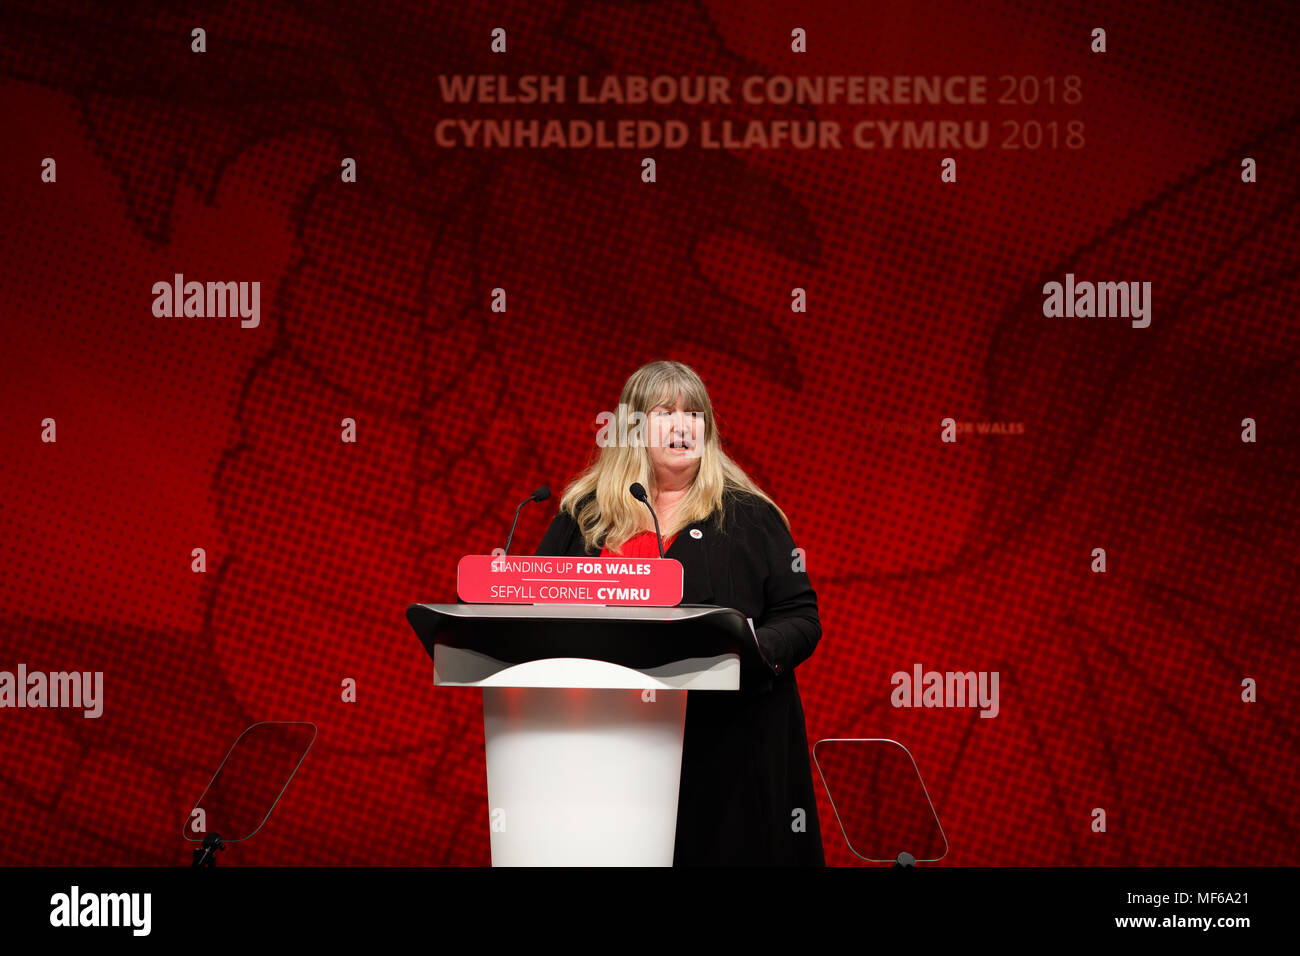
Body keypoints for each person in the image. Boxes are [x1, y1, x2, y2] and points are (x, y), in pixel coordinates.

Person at [536, 359, 825, 865]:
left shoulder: (749, 516)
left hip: (726, 747)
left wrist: (747, 649)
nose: (683, 426)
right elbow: (537, 607)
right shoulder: (583, 515)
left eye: (694, 414)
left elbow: (801, 618)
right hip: (608, 741)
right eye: (665, 412)